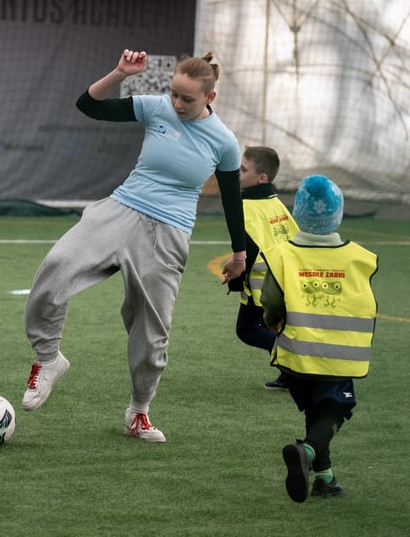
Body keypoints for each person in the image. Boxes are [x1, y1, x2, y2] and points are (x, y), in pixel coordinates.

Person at [21, 48, 247, 443]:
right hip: (119, 210)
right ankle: (48, 359)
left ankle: (138, 413)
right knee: (55, 268)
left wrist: (240, 253)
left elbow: (232, 199)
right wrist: (120, 73)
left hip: (169, 233)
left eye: (187, 99)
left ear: (210, 98)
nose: (176, 103)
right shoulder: (156, 108)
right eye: (174, 93)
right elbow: (88, 106)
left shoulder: (225, 142)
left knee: (150, 333)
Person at [259, 175, 378, 502]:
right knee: (335, 408)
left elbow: (270, 301)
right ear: (337, 215)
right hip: (338, 355)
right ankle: (307, 452)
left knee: (315, 407)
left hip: (296, 355)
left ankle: (325, 478)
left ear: (298, 212)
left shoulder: (284, 254)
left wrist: (272, 322)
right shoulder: (357, 256)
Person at [225, 146, 298, 390]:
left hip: (262, 285)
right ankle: (289, 375)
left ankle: (295, 360)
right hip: (283, 281)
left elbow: (248, 251)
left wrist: (235, 281)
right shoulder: (276, 203)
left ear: (262, 178)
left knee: (247, 330)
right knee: (271, 327)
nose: (238, 173)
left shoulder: (244, 207)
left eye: (243, 170)